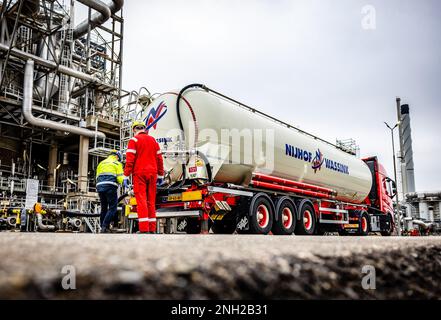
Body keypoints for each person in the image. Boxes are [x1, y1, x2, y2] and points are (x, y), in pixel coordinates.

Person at [124, 121, 164, 234]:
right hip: (153, 173)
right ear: (144, 129)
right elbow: (160, 159)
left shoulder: (134, 140)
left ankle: (144, 229)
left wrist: (126, 175)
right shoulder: (153, 140)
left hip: (139, 173)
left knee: (141, 200)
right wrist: (160, 174)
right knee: (151, 200)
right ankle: (152, 228)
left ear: (134, 130)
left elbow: (130, 160)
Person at [96, 150, 127, 233]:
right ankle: (104, 226)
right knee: (113, 208)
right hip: (110, 186)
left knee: (104, 208)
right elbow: (120, 177)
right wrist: (125, 183)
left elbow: (97, 176)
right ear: (117, 156)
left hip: (99, 186)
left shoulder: (101, 163)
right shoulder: (117, 163)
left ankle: (103, 228)